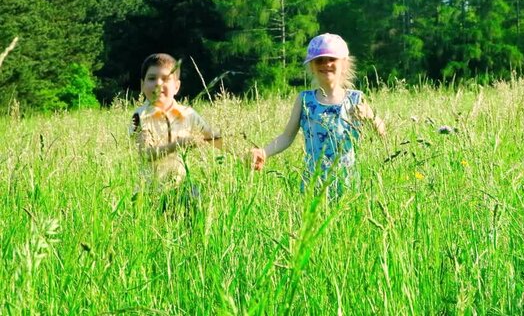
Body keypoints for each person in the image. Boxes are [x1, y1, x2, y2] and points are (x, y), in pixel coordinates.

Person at [250, 33, 385, 198]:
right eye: (319, 60)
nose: (326, 64)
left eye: (331, 59)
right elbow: (287, 137)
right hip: (313, 182)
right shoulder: (305, 100)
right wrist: (264, 152)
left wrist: (370, 116)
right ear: (311, 67)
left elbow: (381, 133)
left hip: (347, 181)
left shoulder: (355, 98)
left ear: (344, 64)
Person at [130, 53, 222, 211]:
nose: (158, 84)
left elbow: (213, 138)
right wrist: (178, 145)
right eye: (151, 79)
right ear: (142, 85)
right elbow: (145, 153)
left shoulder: (188, 114)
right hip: (150, 193)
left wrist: (243, 152)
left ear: (177, 86)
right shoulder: (140, 116)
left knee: (197, 200)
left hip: (181, 188)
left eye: (165, 79)